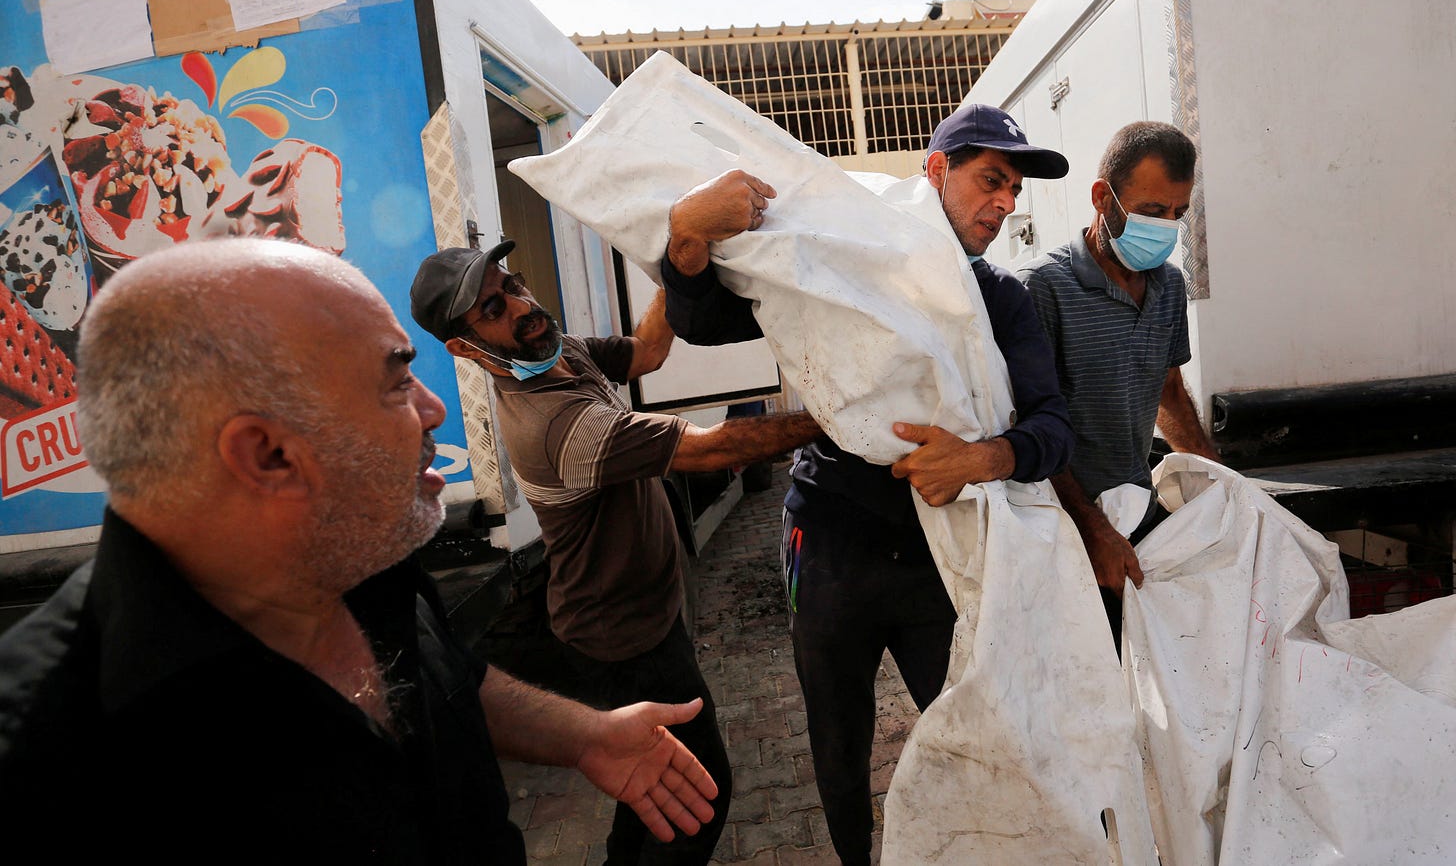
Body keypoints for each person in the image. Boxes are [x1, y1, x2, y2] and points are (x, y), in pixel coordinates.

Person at [0, 238, 720, 864]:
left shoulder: (365, 559)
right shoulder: (52, 758)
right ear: (269, 455)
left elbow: (445, 678)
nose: (434, 410)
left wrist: (588, 736)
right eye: (396, 381)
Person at [659, 104, 1076, 866]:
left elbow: (1052, 426)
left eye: (1015, 189)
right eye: (991, 180)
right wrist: (687, 238)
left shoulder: (1002, 300)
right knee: (838, 742)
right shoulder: (844, 266)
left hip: (936, 559)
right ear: (935, 171)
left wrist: (978, 459)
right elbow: (710, 320)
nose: (1006, 203)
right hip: (829, 546)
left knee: (971, 732)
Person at [409, 241, 824, 865]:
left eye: (513, 283)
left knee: (649, 796)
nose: (522, 304)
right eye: (494, 307)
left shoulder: (557, 350)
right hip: (623, 641)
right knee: (696, 803)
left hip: (644, 619)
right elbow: (709, 449)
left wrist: (677, 262)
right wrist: (833, 420)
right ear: (466, 348)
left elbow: (648, 351)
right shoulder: (552, 425)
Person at [1016, 121, 1221, 632]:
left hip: (1134, 513)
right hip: (1062, 526)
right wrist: (1094, 531)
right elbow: (1026, 427)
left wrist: (1218, 484)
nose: (1166, 227)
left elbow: (1168, 392)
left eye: (1178, 213)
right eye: (1152, 211)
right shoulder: (1042, 289)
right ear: (1103, 198)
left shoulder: (1168, 286)